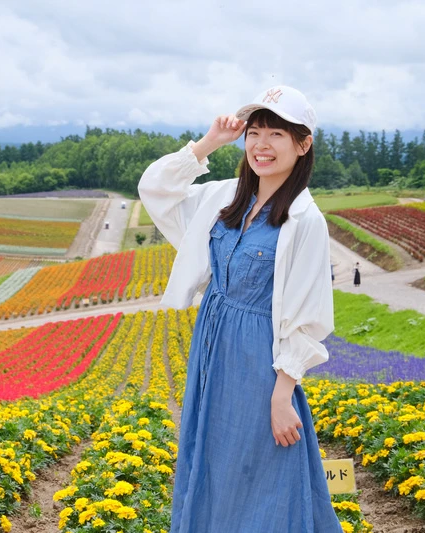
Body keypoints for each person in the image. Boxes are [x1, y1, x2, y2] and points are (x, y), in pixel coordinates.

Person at [139, 85, 342, 532]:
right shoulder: (225, 198)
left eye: (276, 134)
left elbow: (308, 317)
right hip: (212, 345)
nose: (261, 145)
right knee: (211, 457)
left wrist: (282, 395)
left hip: (258, 359)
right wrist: (209, 142)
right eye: (254, 133)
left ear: (303, 144)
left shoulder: (304, 220)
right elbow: (154, 188)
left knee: (262, 467)